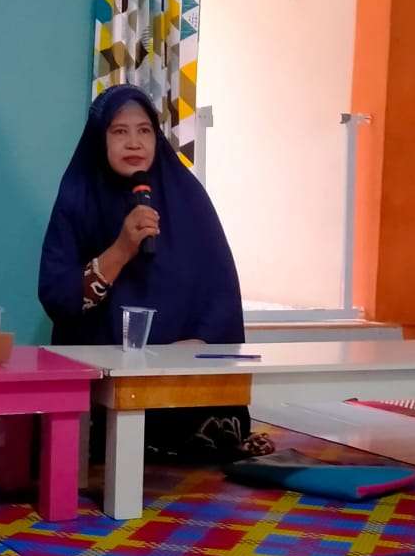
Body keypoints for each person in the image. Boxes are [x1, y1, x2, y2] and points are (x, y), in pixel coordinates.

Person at [39, 84, 273, 461]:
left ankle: (151, 435)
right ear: (100, 139)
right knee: (18, 427)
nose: (134, 142)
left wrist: (196, 344)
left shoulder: (187, 195)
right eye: (119, 131)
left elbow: (221, 292)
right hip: (100, 374)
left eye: (144, 130)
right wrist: (121, 250)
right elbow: (57, 297)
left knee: (207, 422)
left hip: (175, 374)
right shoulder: (77, 198)